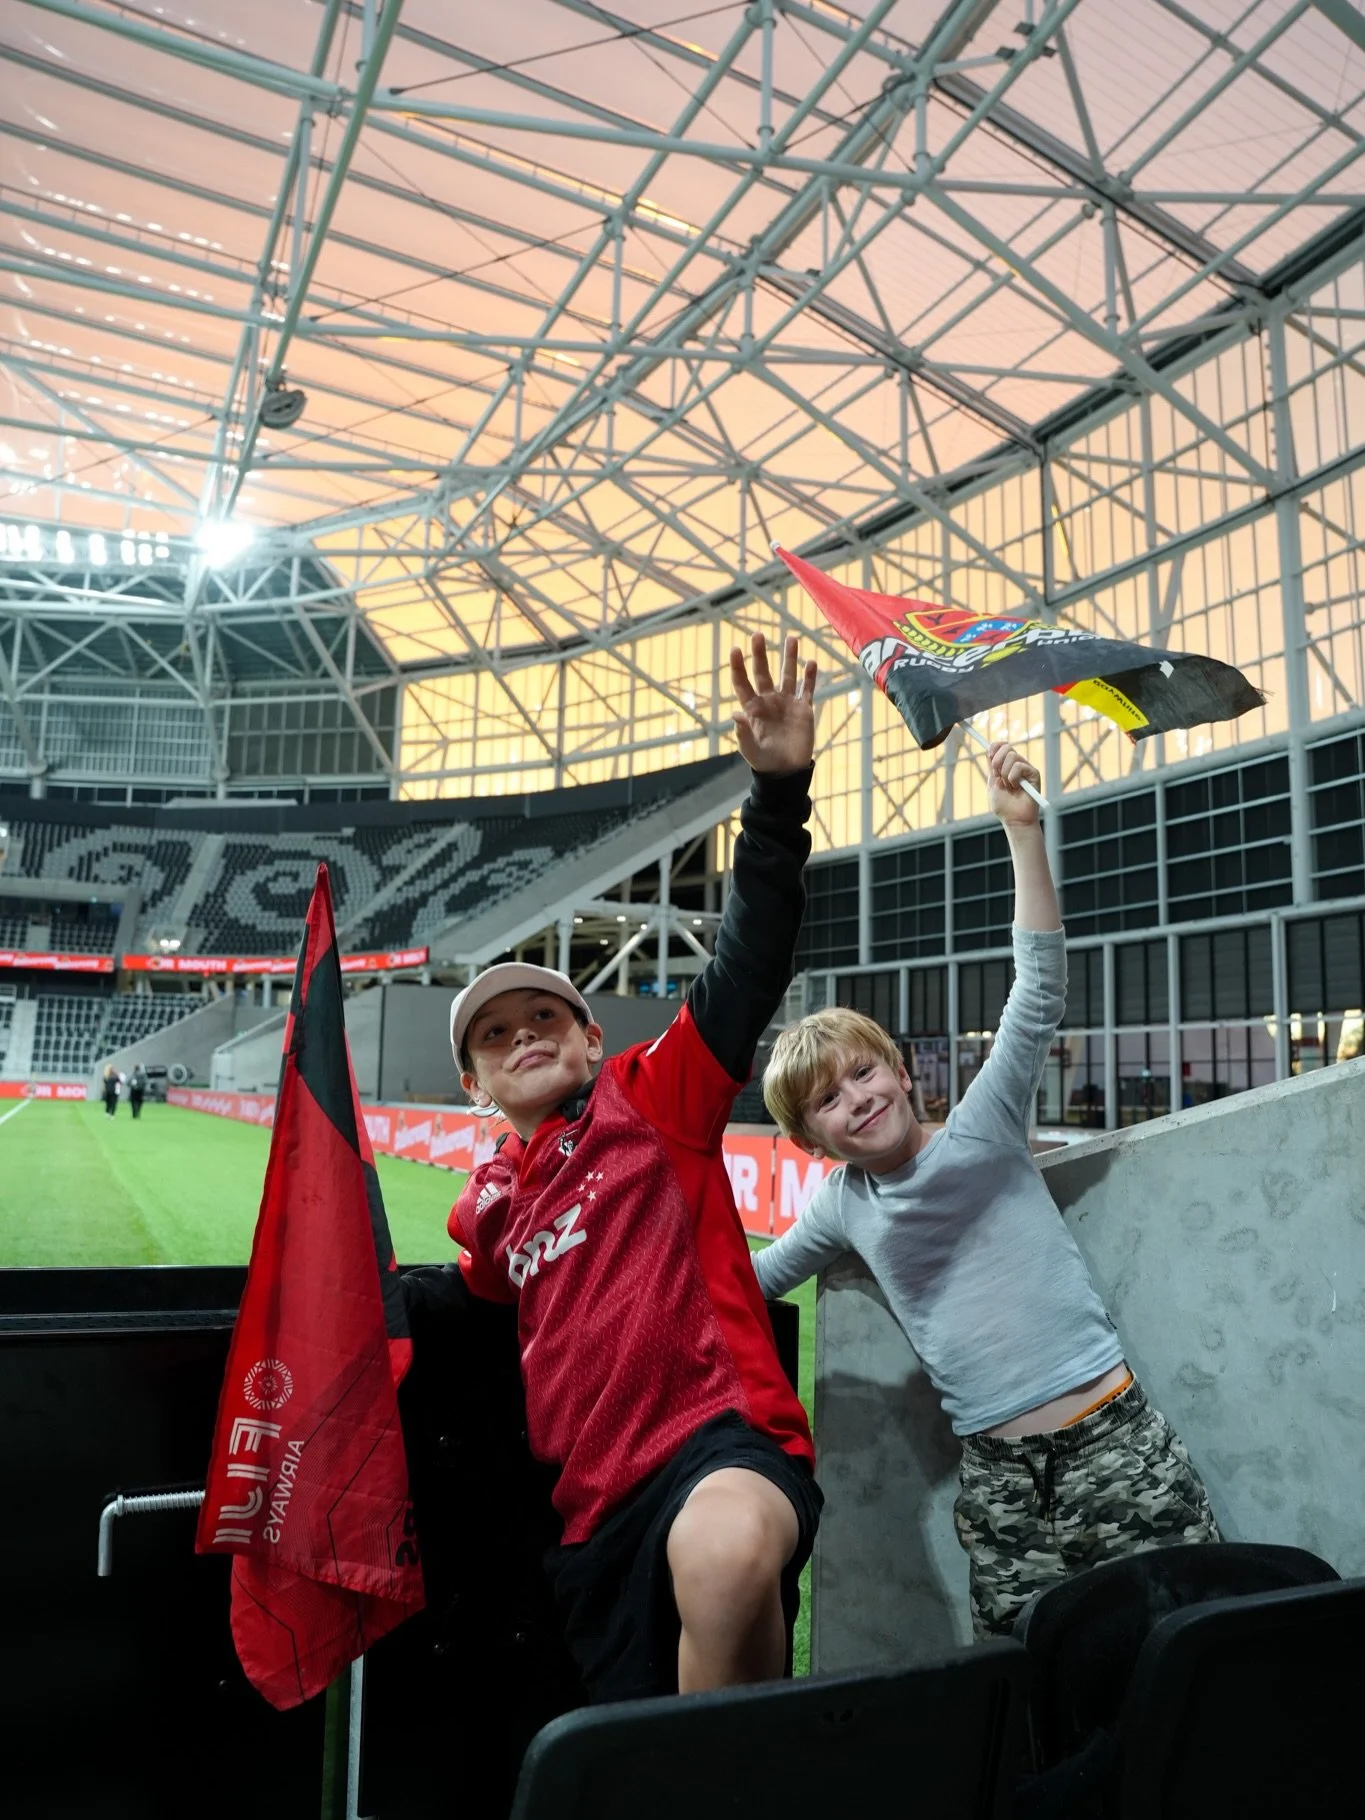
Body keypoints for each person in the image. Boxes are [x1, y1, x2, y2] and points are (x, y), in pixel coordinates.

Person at [754, 740, 1220, 1639]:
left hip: (1116, 1440)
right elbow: (752, 1283)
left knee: (1188, 1655)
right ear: (809, 1141)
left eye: (863, 1074)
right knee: (1031, 1678)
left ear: (897, 1068)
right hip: (1001, 1482)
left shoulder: (982, 1124)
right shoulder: (842, 1203)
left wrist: (1020, 833)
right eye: (827, 1102)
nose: (858, 1101)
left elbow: (1037, 989)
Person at [446, 633, 823, 1703]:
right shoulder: (490, 1213)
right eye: (495, 1036)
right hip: (595, 1514)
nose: (524, 1035)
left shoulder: (656, 1098)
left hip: (722, 1443)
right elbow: (479, 1288)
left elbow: (750, 955)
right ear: (476, 1084)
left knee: (729, 1551)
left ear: (590, 1036)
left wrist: (778, 794)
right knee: (666, 1737)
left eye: (546, 1016)